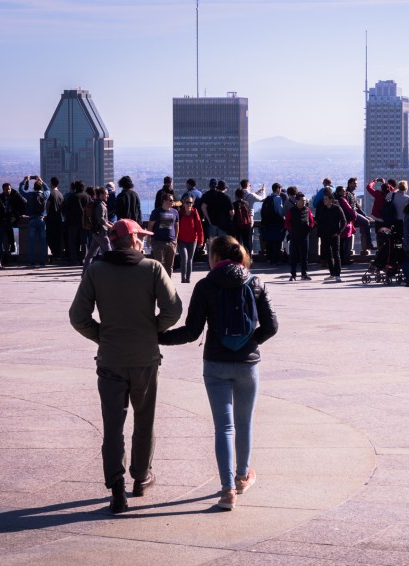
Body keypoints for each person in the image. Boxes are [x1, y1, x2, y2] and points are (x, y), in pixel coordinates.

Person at [69, 219, 182, 514]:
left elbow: (78, 316)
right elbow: (174, 309)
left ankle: (116, 488)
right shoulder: (152, 268)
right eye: (140, 238)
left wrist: (102, 336)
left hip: (110, 359)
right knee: (144, 420)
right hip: (145, 358)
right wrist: (153, 330)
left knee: (113, 426)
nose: (143, 242)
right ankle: (141, 477)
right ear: (131, 240)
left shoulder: (96, 270)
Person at [158, 236, 277, 510]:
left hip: (215, 363)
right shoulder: (255, 282)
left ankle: (227, 492)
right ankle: (242, 476)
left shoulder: (205, 285)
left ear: (214, 256)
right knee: (244, 422)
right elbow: (271, 326)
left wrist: (157, 337)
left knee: (224, 427)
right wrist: (250, 342)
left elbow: (192, 332)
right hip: (248, 364)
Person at [315, 192, 346, 282]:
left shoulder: (337, 208)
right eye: (324, 199)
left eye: (326, 199)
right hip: (324, 235)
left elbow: (344, 221)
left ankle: (338, 274)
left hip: (334, 235)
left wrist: (339, 232)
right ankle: (332, 273)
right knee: (328, 255)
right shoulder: (322, 209)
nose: (324, 200)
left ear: (331, 200)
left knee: (336, 254)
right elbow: (318, 220)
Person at [148, 192, 180, 277]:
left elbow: (177, 226)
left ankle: (168, 284)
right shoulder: (156, 212)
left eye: (173, 200)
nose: (173, 202)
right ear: (164, 201)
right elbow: (150, 226)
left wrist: (175, 239)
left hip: (171, 242)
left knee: (170, 266)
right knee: (160, 265)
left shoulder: (175, 212)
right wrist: (149, 240)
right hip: (158, 242)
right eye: (170, 200)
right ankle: (160, 284)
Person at [83, 187, 114, 273]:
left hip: (96, 232)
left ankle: (85, 273)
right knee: (110, 254)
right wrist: (111, 227)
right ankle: (113, 273)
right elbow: (101, 220)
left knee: (90, 255)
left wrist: (110, 224)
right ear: (101, 195)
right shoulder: (100, 205)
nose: (108, 196)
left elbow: (102, 220)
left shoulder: (97, 204)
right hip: (101, 233)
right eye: (106, 194)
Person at [285, 192, 314, 281]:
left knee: (304, 256)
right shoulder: (291, 210)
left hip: (304, 236)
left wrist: (309, 228)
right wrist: (291, 230)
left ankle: (304, 274)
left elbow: (311, 221)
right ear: (297, 201)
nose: (304, 202)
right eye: (302, 200)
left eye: (305, 200)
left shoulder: (307, 210)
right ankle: (293, 275)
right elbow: (286, 223)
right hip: (294, 236)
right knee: (294, 255)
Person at [177, 195, 204, 284]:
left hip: (192, 240)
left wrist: (201, 241)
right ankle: (183, 278)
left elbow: (199, 227)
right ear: (183, 203)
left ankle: (188, 279)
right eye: (187, 202)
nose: (189, 204)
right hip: (181, 240)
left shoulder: (195, 213)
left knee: (190, 259)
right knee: (184, 258)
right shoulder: (180, 213)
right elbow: (175, 227)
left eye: (191, 202)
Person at [64, 180, 91, 265]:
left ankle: (74, 259)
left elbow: (66, 209)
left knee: (72, 241)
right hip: (85, 223)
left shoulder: (72, 197)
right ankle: (82, 259)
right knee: (84, 242)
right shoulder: (87, 197)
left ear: (75, 187)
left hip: (73, 222)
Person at [345, 177, 375, 253]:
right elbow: (352, 208)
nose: (356, 185)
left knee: (366, 221)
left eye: (356, 184)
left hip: (354, 214)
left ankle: (367, 245)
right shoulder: (347, 194)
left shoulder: (351, 194)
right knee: (366, 222)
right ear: (349, 184)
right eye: (354, 184)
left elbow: (358, 207)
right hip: (352, 215)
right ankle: (368, 244)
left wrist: (365, 216)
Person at [260, 183, 286, 264]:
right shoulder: (278, 198)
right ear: (278, 189)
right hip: (276, 223)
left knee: (269, 241)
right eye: (280, 189)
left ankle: (269, 258)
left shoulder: (268, 198)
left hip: (268, 223)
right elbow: (280, 212)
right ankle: (276, 259)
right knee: (277, 241)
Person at [1, 182, 27, 259]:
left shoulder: (15, 195)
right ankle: (8, 248)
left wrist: (22, 213)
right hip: (4, 215)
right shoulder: (1, 197)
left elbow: (24, 202)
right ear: (3, 190)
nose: (8, 191)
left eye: (9, 189)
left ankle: (12, 244)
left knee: (8, 224)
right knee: (6, 226)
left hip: (13, 214)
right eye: (6, 189)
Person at [45, 177, 65, 262]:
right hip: (59, 218)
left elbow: (47, 206)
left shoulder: (51, 194)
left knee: (50, 238)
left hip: (51, 219)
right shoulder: (60, 194)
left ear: (51, 184)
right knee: (57, 238)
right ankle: (57, 255)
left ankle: (55, 254)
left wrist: (46, 215)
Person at [232, 188, 254, 254]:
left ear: (236, 195)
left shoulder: (233, 204)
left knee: (237, 243)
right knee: (246, 243)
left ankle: (237, 258)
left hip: (237, 225)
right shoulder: (246, 203)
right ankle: (248, 258)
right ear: (243, 196)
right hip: (246, 225)